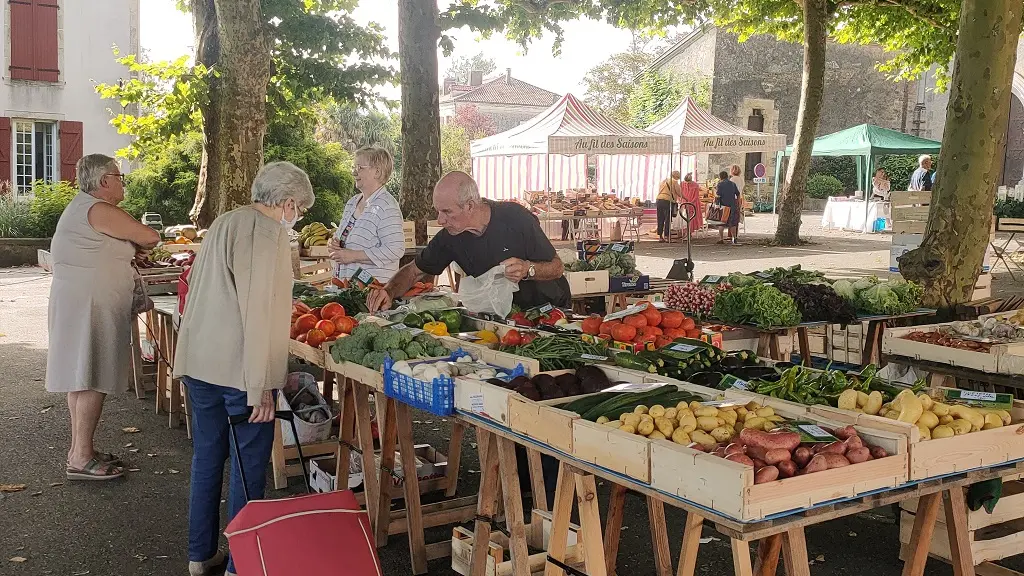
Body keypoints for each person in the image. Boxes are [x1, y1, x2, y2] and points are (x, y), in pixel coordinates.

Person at [366, 171, 569, 504]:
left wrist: (529, 269)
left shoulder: (515, 218)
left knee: (541, 398)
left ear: (472, 204)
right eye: (438, 211)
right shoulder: (451, 235)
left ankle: (548, 491)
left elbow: (556, 266)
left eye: (447, 212)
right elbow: (417, 270)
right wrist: (388, 291)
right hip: (497, 325)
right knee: (508, 396)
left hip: (543, 316)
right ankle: (518, 485)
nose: (440, 219)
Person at [173, 161, 315, 576]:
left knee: (207, 458)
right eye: (300, 210)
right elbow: (259, 316)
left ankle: (200, 555)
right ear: (288, 203)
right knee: (248, 467)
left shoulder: (224, 221)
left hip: (200, 361)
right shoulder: (267, 234)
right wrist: (262, 387)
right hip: (238, 371)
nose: (298, 217)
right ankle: (242, 564)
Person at [46, 154, 161, 481]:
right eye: (118, 175)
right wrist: (136, 242)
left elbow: (112, 244)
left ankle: (79, 450)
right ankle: (81, 457)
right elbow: (149, 236)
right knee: (92, 375)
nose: (122, 180)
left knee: (81, 374)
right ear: (103, 181)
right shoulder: (99, 208)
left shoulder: (85, 208)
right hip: (90, 303)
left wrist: (127, 248)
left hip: (80, 300)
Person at [327, 146, 405, 283]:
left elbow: (395, 249)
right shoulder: (352, 203)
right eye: (354, 167)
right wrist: (333, 243)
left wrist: (354, 256)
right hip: (346, 289)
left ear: (377, 172)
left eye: (360, 168)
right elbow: (342, 238)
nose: (354, 172)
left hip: (372, 293)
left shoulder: (387, 206)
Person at [716, 170, 742, 244]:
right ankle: (734, 238)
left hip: (723, 206)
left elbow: (718, 195)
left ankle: (721, 239)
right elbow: (738, 194)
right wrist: (738, 202)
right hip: (732, 205)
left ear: (720, 177)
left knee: (721, 222)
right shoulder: (733, 184)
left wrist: (717, 203)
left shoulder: (720, 184)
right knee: (733, 223)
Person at [655, 170, 682, 242]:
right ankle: (667, 236)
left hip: (659, 200)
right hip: (667, 201)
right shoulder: (674, 182)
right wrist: (686, 198)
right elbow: (679, 193)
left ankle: (660, 236)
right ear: (676, 176)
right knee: (667, 219)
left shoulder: (663, 181)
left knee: (660, 218)